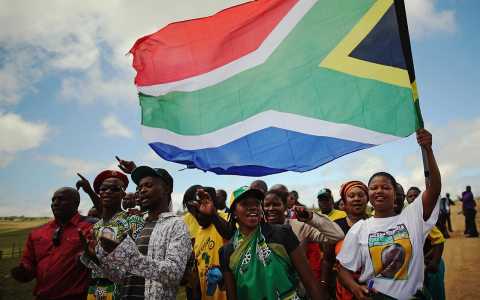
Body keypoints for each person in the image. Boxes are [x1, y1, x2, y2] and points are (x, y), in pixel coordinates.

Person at [337, 129, 441, 300]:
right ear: (369, 195)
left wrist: (428, 149)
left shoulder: (412, 217)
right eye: (374, 188)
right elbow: (343, 270)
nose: (379, 191)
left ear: (395, 194)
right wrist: (355, 288)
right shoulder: (360, 229)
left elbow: (434, 189)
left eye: (385, 187)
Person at [93, 166, 192, 300]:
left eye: (148, 185)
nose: (142, 190)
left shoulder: (176, 225)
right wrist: (98, 258)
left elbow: (173, 274)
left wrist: (129, 256)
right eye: (139, 188)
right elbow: (124, 276)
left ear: (167, 189)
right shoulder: (137, 224)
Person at [219, 187, 324, 300]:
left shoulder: (282, 234)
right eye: (245, 204)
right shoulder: (227, 251)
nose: (253, 207)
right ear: (234, 213)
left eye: (257, 203)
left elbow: (310, 281)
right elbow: (232, 296)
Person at [11, 187, 94, 300]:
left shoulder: (90, 227)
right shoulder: (37, 233)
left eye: (61, 199)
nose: (55, 203)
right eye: (53, 200)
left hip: (77, 296)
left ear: (76, 203)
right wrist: (24, 272)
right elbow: (29, 263)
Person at [81, 170, 145, 300]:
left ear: (123, 194)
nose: (107, 192)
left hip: (126, 290)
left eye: (114, 189)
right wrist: (88, 256)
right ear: (99, 194)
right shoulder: (96, 226)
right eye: (103, 189)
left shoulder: (133, 220)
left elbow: (141, 261)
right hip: (98, 290)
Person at [182, 185, 233, 300]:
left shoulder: (227, 219)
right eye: (193, 212)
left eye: (201, 208)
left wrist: (213, 215)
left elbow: (230, 234)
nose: (198, 215)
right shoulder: (198, 234)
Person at [334, 181, 369, 300]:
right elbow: (328, 261)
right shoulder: (335, 227)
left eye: (361, 195)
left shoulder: (376, 224)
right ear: (344, 202)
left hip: (372, 291)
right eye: (351, 196)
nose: (357, 199)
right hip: (343, 293)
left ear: (367, 199)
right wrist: (324, 285)